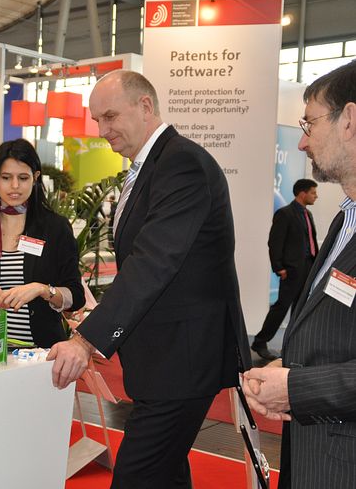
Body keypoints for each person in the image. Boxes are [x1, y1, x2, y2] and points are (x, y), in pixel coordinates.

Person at [47, 70, 251, 488]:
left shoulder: (181, 164)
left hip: (183, 362)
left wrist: (86, 340)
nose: (102, 131)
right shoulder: (149, 167)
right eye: (97, 121)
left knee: (136, 477)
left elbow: (153, 261)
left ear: (145, 107)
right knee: (166, 475)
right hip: (164, 362)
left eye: (109, 117)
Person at [243, 60, 356, 489]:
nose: (304, 143)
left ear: (349, 119)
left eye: (309, 124)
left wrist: (298, 387)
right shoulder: (344, 219)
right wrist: (288, 370)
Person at [0, 139, 85, 347]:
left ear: (35, 178)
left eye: (23, 178)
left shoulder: (55, 228)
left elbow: (76, 296)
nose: (15, 186)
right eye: (6, 178)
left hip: (41, 354)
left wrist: (44, 290)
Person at [251, 179, 319, 361]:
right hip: (291, 270)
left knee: (299, 309)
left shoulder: (307, 214)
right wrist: (279, 267)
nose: (316, 196)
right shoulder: (285, 214)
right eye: (313, 192)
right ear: (302, 193)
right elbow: (274, 242)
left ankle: (293, 346)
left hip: (307, 268)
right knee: (281, 307)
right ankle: (260, 341)